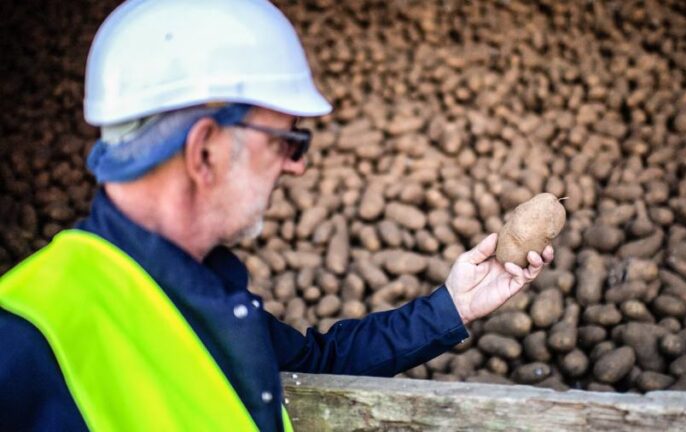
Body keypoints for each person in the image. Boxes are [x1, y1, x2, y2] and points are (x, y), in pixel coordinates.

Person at [0, 0, 553, 431]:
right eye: (289, 142)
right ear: (205, 152)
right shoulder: (21, 343)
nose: (298, 168)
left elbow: (313, 363)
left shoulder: (201, 289)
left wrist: (453, 305)